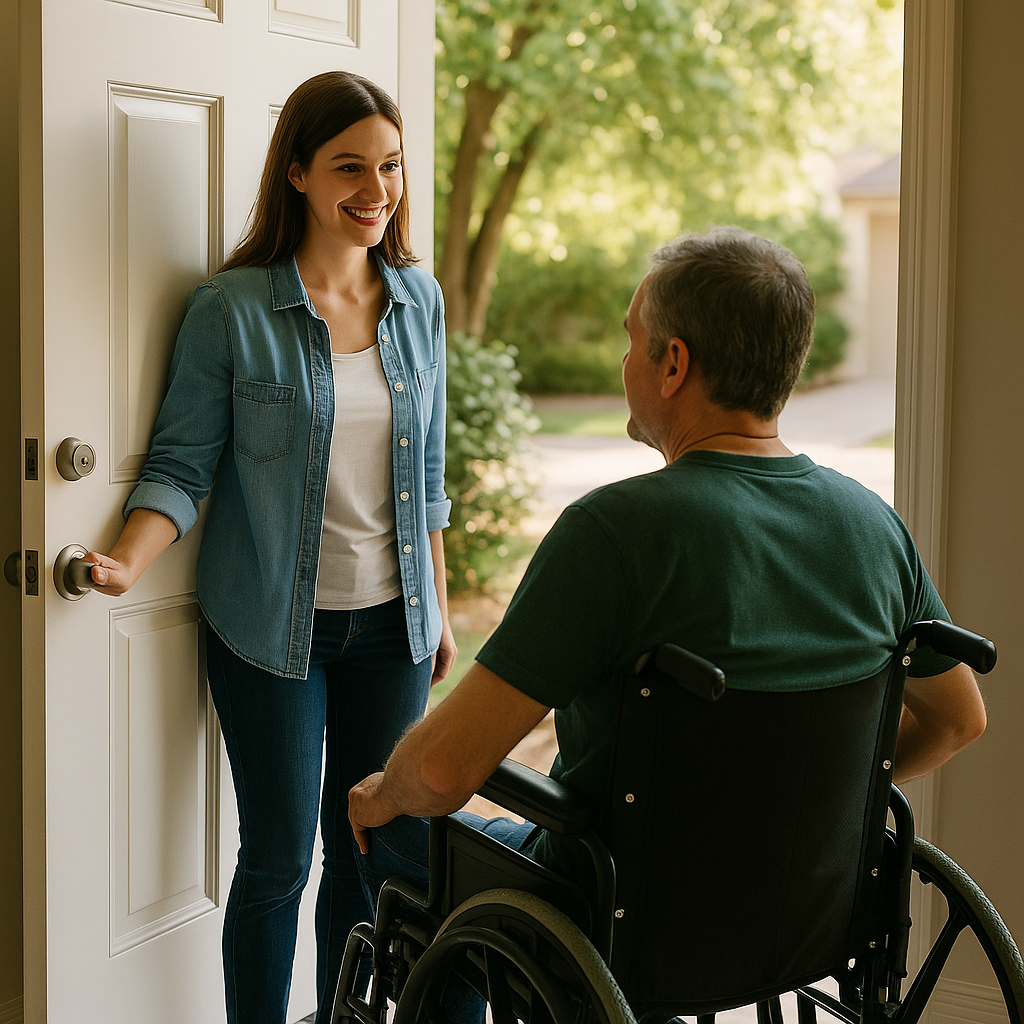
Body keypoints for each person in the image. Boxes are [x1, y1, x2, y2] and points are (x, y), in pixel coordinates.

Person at [347, 226, 988, 944]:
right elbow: (958, 720)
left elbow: (438, 772)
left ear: (673, 363)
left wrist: (381, 793)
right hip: (802, 909)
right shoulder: (875, 527)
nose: (624, 361)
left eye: (630, 341)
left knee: (400, 819)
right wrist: (806, 808)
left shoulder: (615, 532)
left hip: (616, 913)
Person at [84, 72, 455, 1024]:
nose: (377, 191)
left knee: (368, 846)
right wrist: (129, 558)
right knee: (281, 855)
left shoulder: (420, 300)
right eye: (349, 168)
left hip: (393, 625)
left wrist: (438, 606)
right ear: (296, 171)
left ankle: (340, 1016)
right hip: (269, 630)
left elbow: (429, 481)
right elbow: (181, 463)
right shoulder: (233, 308)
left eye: (391, 167)